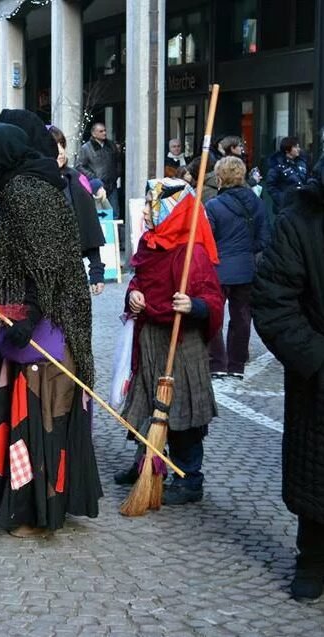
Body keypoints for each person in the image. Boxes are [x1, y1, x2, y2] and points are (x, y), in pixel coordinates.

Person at [0, 123, 101, 536]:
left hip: (50, 326)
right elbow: (15, 254)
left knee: (42, 417)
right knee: (32, 413)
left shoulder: (25, 192)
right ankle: (32, 507)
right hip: (43, 320)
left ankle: (38, 512)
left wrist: (31, 315)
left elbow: (46, 261)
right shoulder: (26, 187)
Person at [114, 179, 224, 505]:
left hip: (182, 341)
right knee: (149, 402)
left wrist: (194, 305)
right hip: (151, 337)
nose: (145, 211)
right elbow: (139, 277)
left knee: (182, 408)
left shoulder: (194, 253)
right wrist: (134, 294)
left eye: (151, 204)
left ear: (170, 211)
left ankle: (190, 478)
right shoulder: (150, 243)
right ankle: (147, 463)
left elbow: (214, 299)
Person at [252, 177, 324, 601]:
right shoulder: (299, 221)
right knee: (318, 476)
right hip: (318, 376)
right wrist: (315, 358)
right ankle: (312, 558)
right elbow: (274, 301)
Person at [205, 156, 270, 379]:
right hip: (246, 268)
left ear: (220, 177)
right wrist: (245, 250)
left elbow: (207, 240)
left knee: (213, 316)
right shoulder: (257, 202)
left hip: (218, 268)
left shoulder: (213, 205)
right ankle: (236, 366)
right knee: (242, 318)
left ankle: (217, 363)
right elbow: (264, 239)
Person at [49, 125, 106, 295]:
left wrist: (96, 271)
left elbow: (89, 225)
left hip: (73, 272)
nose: (60, 151)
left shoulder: (75, 178)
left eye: (62, 144)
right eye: (54, 146)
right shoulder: (33, 184)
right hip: (44, 277)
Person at [75, 122, 119, 218]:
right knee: (99, 215)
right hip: (97, 186)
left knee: (115, 214)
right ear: (94, 134)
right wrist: (93, 177)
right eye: (101, 131)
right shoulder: (86, 148)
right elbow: (79, 166)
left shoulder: (111, 145)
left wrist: (117, 174)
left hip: (112, 185)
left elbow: (117, 161)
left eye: (105, 131)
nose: (104, 133)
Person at [266, 136, 309, 212]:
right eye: (295, 147)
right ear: (287, 150)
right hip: (285, 209)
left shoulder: (302, 162)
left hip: (302, 207)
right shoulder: (277, 165)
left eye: (298, 147)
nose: (298, 149)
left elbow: (307, 179)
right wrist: (282, 199)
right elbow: (271, 186)